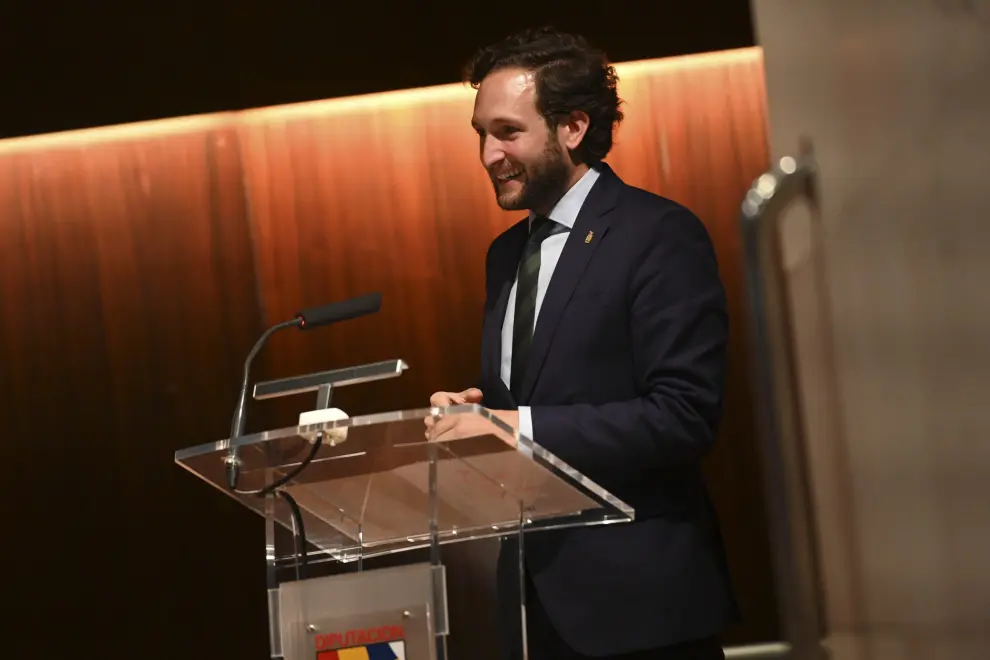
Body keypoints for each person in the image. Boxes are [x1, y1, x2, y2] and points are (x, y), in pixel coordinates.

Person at [428, 27, 739, 660]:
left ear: (573, 127)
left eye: (508, 132)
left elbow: (684, 416)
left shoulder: (658, 234)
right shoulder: (505, 254)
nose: (488, 154)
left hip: (643, 610)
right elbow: (545, 389)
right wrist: (478, 412)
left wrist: (516, 426)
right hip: (534, 610)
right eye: (480, 133)